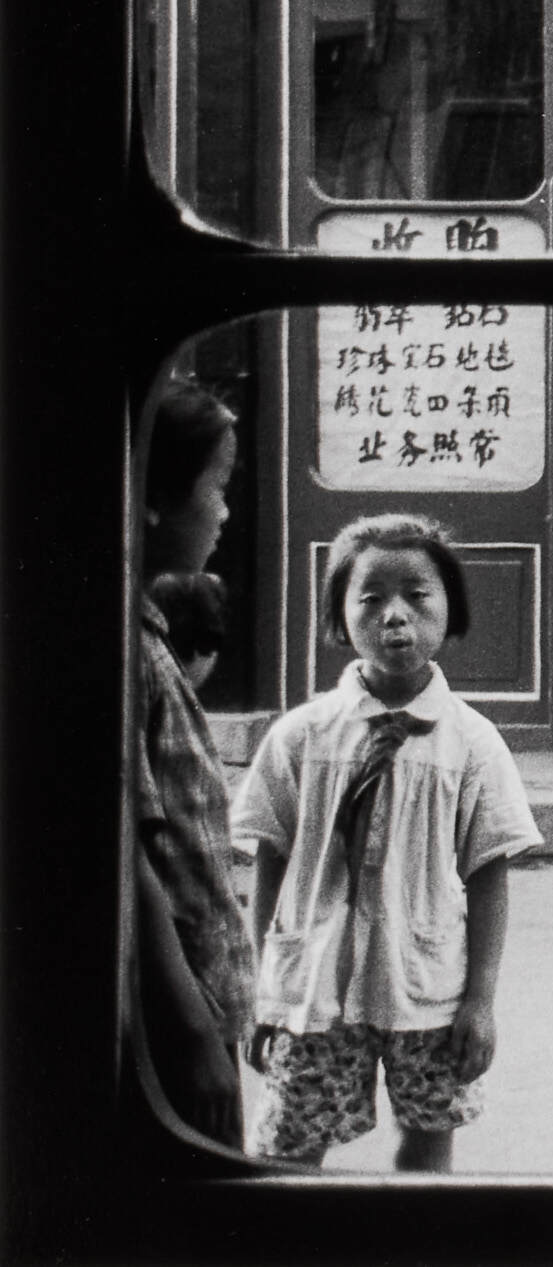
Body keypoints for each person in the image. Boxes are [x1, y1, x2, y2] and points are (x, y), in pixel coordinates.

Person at [231, 514, 540, 1170]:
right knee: (291, 1144)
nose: (395, 616)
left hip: (426, 986)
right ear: (340, 619)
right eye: (371, 598)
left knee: (430, 1135)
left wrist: (480, 1001)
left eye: (418, 595)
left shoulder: (473, 743)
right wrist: (267, 989)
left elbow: (489, 874)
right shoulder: (300, 737)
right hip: (314, 984)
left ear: (450, 609)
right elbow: (272, 861)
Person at [132, 379, 258, 1148]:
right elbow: (132, 855)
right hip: (176, 1014)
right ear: (154, 500)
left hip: (198, 1000)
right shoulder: (133, 654)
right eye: (217, 487)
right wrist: (191, 1030)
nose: (224, 512)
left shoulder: (147, 634)